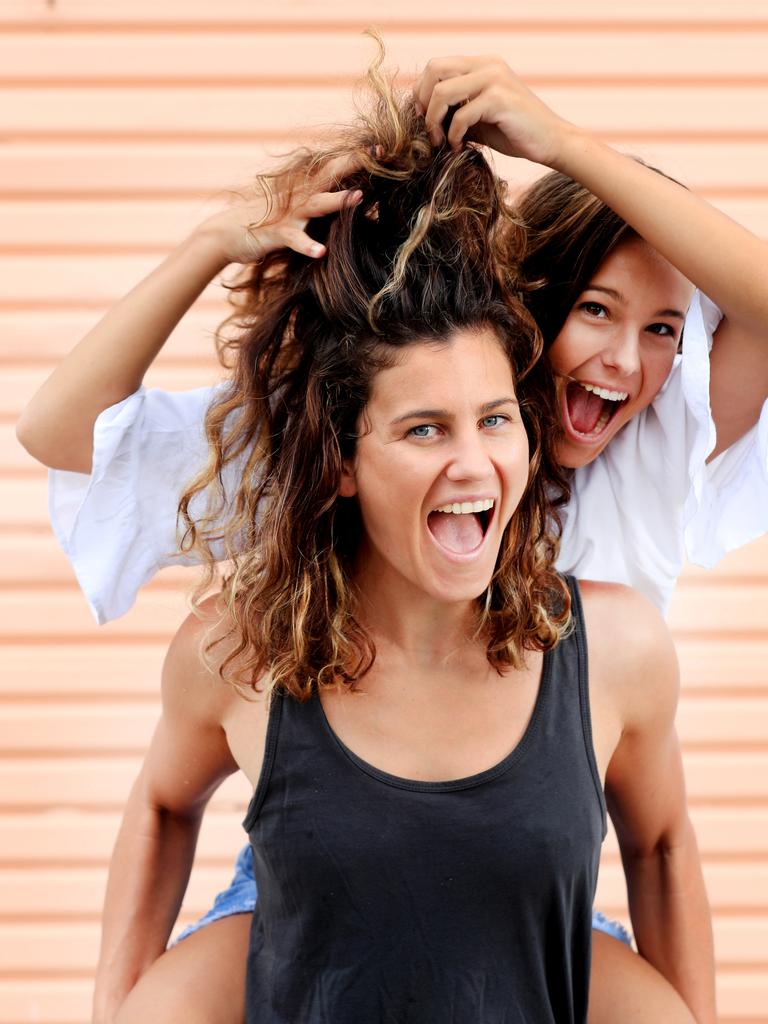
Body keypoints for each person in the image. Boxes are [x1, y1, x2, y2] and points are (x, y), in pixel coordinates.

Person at [16, 48, 755, 1021]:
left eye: (666, 329)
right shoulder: (372, 420)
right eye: (595, 311)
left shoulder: (637, 456)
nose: (627, 358)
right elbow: (59, 433)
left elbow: (661, 845)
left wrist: (563, 144)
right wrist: (213, 243)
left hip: (523, 892)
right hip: (316, 881)